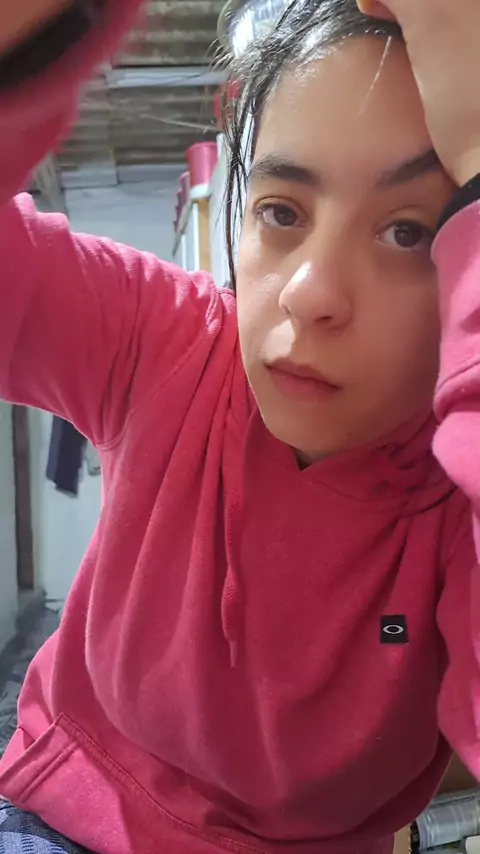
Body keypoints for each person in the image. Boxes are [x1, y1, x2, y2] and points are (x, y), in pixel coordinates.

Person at [0, 0, 480, 851]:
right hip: (61, 821)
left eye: (407, 233)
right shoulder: (168, 342)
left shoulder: (455, 483)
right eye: (282, 213)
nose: (308, 293)